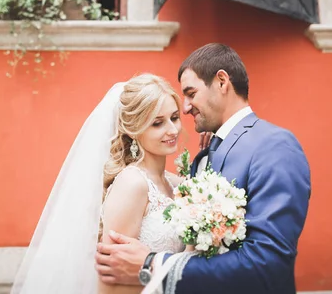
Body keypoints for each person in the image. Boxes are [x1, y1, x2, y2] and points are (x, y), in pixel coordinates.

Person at [95, 43, 312, 293]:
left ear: (222, 81)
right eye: (158, 122)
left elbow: (268, 263)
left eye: (190, 93)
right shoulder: (204, 157)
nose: (185, 109)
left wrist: (153, 263)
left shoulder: (273, 145)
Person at [10, 74, 193, 294]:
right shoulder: (133, 184)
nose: (172, 130)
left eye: (174, 117)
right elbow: (111, 284)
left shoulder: (178, 184)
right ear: (134, 130)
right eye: (157, 123)